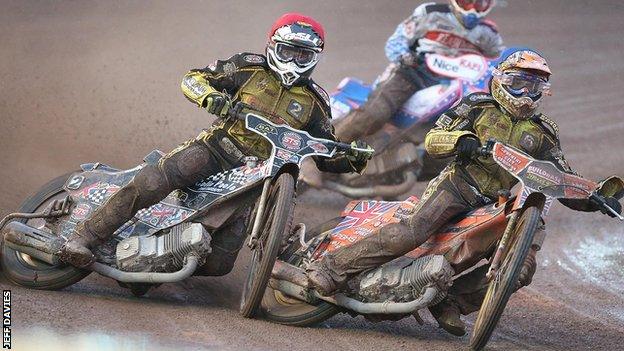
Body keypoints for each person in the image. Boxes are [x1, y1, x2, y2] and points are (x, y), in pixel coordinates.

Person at [307, 47, 623, 336]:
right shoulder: (478, 106)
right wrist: (460, 140)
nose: (526, 93)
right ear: (501, 81)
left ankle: (452, 304)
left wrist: (594, 196)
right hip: (457, 184)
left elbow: (559, 174)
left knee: (523, 267)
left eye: (534, 87)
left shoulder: (543, 132)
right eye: (520, 83)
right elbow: (434, 138)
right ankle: (332, 268)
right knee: (414, 230)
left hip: (498, 201)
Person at [57, 13, 372, 269]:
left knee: (220, 263)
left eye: (303, 54)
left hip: (262, 178)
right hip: (217, 149)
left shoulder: (316, 101)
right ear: (273, 46)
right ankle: (86, 236)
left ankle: (157, 263)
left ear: (315, 57)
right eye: (288, 50)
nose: (294, 59)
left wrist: (352, 157)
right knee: (154, 182)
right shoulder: (247, 67)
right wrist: (210, 97)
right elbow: (193, 78)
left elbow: (324, 152)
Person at [333, 0, 504, 142]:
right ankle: (327, 149)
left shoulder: (489, 34)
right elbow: (396, 41)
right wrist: (405, 57)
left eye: (480, 4)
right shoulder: (430, 13)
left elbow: (498, 64)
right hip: (412, 72)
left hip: (456, 84)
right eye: (467, 2)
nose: (473, 10)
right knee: (377, 113)